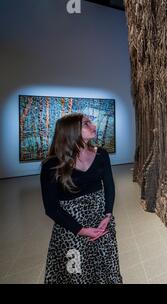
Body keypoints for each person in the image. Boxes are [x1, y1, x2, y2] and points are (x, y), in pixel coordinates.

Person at [40, 112, 122, 284]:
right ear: (71, 131)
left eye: (91, 122)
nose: (94, 126)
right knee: (76, 273)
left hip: (101, 223)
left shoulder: (101, 155)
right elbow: (51, 207)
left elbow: (109, 186)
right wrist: (81, 230)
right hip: (71, 228)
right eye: (87, 123)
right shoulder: (51, 164)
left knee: (104, 266)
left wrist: (108, 215)